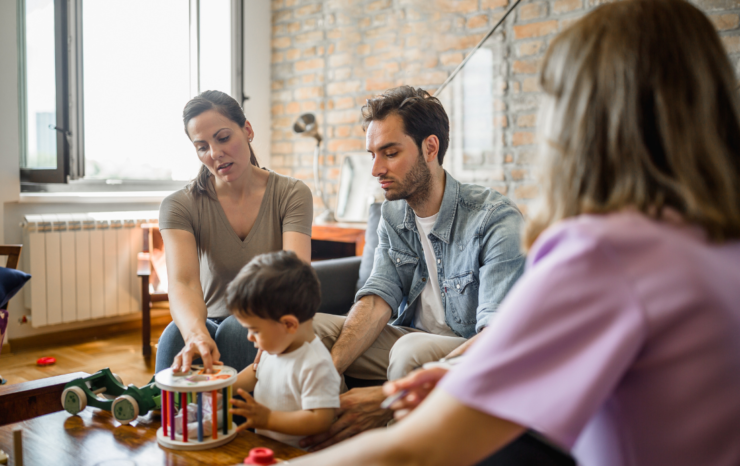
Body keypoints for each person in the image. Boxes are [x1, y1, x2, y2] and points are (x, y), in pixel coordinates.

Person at [289, 0, 740, 464]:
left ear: (579, 120)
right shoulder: (717, 244)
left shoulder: (601, 251)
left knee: (413, 353)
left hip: (452, 349)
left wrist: (412, 393)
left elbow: (413, 450)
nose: (377, 169)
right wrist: (466, 379)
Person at [302, 86, 526, 450]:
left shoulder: (495, 220)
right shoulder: (394, 214)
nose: (376, 169)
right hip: (407, 336)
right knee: (309, 330)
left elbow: (497, 335)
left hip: (463, 349)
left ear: (430, 148)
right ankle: (324, 446)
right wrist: (331, 367)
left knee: (410, 350)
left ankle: (395, 454)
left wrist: (388, 395)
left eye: (390, 153)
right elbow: (378, 298)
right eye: (373, 154)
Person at [156, 90, 313, 375]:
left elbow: (295, 275)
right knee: (175, 337)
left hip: (269, 317)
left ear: (247, 130)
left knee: (236, 330)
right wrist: (196, 334)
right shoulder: (179, 205)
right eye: (201, 146)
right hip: (208, 318)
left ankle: (237, 418)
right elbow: (184, 283)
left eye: (223, 137)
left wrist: (271, 326)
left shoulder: (292, 193)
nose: (215, 153)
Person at [226, 251, 341, 449]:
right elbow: (254, 375)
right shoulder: (274, 349)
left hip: (299, 455)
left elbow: (320, 419)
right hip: (268, 448)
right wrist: (221, 388)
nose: (249, 337)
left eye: (254, 330)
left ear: (289, 324)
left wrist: (269, 419)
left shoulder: (316, 363)